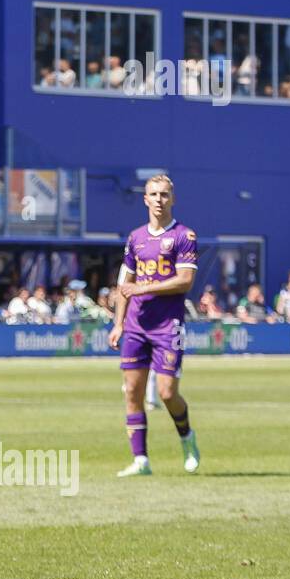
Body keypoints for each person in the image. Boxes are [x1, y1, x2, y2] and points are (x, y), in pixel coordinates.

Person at [108, 175, 201, 478]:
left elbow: (186, 281)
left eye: (164, 194)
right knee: (132, 391)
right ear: (145, 199)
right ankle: (140, 460)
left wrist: (145, 288)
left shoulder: (185, 236)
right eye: (153, 194)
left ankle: (187, 438)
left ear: (173, 199)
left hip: (167, 327)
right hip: (135, 326)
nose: (159, 199)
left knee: (166, 393)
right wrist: (118, 324)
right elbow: (125, 286)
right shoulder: (135, 238)